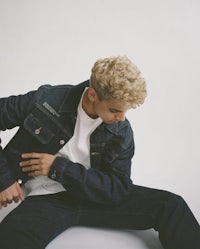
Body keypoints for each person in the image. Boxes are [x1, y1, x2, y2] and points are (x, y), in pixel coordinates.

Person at [0, 56, 199, 249]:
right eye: (114, 110)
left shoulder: (121, 130)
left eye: (125, 111)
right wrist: (4, 179)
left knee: (171, 205)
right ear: (93, 94)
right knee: (11, 239)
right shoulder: (46, 101)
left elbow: (119, 188)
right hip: (47, 198)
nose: (121, 118)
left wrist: (58, 168)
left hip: (95, 196)